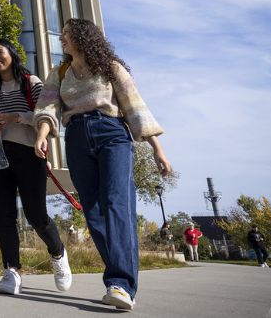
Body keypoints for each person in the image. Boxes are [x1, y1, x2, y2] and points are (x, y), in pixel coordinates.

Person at [34, 19, 171, 311]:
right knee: (93, 211)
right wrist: (43, 136)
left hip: (112, 134)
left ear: (84, 37)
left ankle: (121, 283)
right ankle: (121, 279)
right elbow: (48, 106)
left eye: (68, 37)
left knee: (116, 203)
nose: (64, 42)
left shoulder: (110, 67)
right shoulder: (59, 73)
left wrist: (158, 149)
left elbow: (135, 106)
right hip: (77, 138)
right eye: (63, 39)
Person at [0, 39, 71, 295]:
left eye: (0, 52)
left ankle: (58, 253)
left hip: (29, 154)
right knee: (5, 215)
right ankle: (11, 271)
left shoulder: (32, 83)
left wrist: (16, 117)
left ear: (12, 54)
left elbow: (47, 117)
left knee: (36, 215)